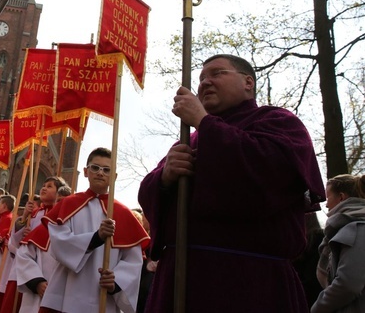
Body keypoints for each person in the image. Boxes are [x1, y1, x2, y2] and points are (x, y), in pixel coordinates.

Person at [138, 54, 325, 313]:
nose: (205, 83)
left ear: (248, 82)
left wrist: (204, 121)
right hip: (179, 276)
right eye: (202, 78)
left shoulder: (279, 122)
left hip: (250, 283)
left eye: (216, 74)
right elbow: (149, 195)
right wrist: (165, 178)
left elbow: (265, 173)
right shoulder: (187, 141)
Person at [41, 148, 149, 313]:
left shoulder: (123, 213)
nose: (100, 173)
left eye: (107, 170)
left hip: (103, 296)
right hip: (68, 290)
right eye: (95, 168)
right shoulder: (68, 204)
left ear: (114, 177)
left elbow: (133, 261)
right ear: (86, 171)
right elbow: (59, 244)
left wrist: (116, 282)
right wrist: (96, 238)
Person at [311, 174, 365, 313]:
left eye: (328, 197)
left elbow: (348, 284)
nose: (326, 204)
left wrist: (317, 308)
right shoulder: (345, 229)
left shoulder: (357, 229)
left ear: (341, 197)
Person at [15, 177, 70, 313]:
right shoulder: (40, 220)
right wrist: (36, 281)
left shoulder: (76, 227)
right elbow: (21, 251)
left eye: (49, 186)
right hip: (37, 287)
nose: (44, 188)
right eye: (44, 185)